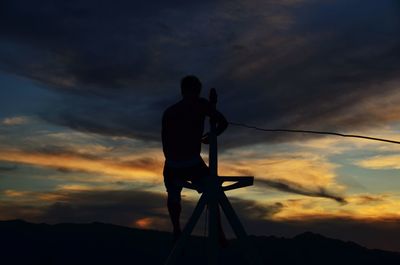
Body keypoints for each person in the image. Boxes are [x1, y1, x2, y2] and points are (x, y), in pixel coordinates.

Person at [162, 75, 228, 244]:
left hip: (172, 164)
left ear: (182, 90)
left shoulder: (169, 112)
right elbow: (223, 123)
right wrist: (212, 135)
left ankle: (176, 229)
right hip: (191, 163)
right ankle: (219, 232)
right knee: (213, 189)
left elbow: (165, 142)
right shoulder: (200, 105)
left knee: (173, 193)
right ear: (197, 91)